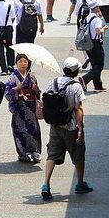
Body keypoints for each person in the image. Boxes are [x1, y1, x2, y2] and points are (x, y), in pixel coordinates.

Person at [41, 57, 91, 200]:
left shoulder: (53, 82)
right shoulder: (76, 86)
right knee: (78, 156)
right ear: (75, 71)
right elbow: (78, 109)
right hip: (71, 127)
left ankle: (46, 184)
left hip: (55, 125)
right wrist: (80, 129)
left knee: (52, 155)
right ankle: (80, 183)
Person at [5, 53, 42, 162]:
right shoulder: (12, 77)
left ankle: (35, 152)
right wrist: (16, 88)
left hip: (31, 108)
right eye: (20, 61)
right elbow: (7, 93)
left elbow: (38, 93)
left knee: (34, 130)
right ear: (16, 64)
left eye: (25, 61)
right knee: (20, 131)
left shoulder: (32, 76)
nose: (23, 64)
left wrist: (36, 90)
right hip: (19, 108)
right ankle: (23, 153)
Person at [80, 0, 108, 93]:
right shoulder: (97, 19)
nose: (100, 8)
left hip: (88, 43)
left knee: (94, 65)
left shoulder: (87, 17)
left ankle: (98, 86)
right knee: (99, 66)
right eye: (98, 7)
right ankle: (84, 79)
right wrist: (104, 28)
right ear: (95, 8)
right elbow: (98, 31)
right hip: (96, 44)